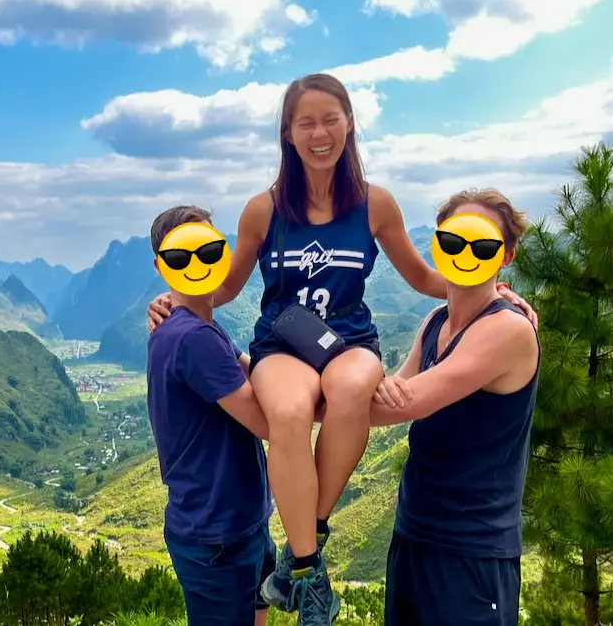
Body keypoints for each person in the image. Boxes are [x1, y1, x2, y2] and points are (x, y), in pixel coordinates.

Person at [145, 73, 537, 625]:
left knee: (352, 387)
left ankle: (307, 544)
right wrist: (175, 298)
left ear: (349, 123)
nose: (319, 132)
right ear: (288, 133)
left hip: (349, 339)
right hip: (281, 341)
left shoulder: (375, 205)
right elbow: (225, 287)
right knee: (287, 411)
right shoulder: (264, 210)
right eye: (305, 122)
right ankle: (307, 569)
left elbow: (427, 276)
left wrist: (493, 285)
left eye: (331, 118)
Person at [369, 188, 540, 626]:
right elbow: (391, 391)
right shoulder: (435, 322)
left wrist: (297, 406)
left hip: (473, 555)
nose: (466, 252)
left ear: (506, 257)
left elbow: (403, 402)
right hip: (413, 535)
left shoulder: (508, 330)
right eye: (453, 241)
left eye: (482, 245)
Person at [146, 204, 277, 626]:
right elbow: (266, 422)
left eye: (207, 251)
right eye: (184, 257)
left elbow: (245, 367)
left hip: (239, 522)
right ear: (163, 266)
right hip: (218, 535)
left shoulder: (194, 325)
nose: (198, 263)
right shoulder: (194, 336)